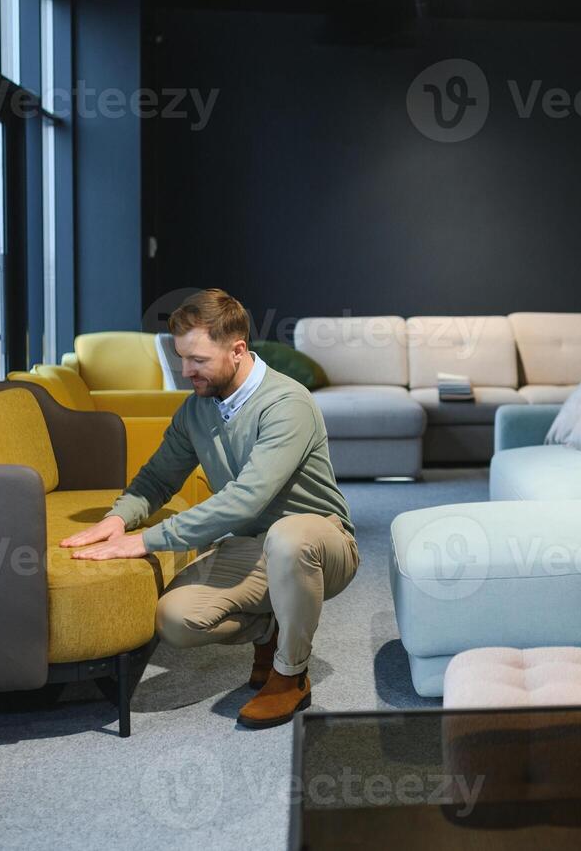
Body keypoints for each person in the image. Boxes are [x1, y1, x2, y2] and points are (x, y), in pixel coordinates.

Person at [60, 289, 358, 727]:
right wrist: (116, 519)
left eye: (197, 359)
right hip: (252, 548)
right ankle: (270, 627)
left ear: (237, 350)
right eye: (181, 358)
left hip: (320, 543)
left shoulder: (286, 404)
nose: (186, 371)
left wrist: (145, 541)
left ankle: (289, 675)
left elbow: (246, 499)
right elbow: (157, 478)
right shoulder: (196, 410)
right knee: (175, 619)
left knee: (287, 537)